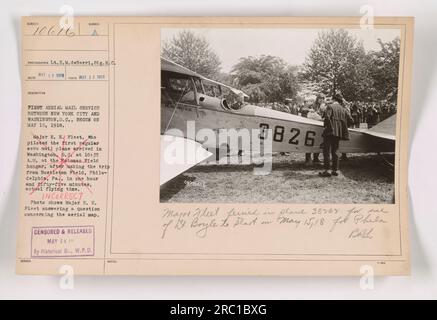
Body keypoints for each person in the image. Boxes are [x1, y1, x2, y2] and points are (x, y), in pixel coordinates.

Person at [319, 92, 354, 177]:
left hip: (329, 132)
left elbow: (327, 117)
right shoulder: (343, 109)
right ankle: (335, 170)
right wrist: (343, 126)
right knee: (335, 151)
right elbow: (351, 121)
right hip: (338, 133)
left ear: (334, 99)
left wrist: (329, 127)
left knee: (326, 151)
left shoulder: (330, 107)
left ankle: (327, 170)